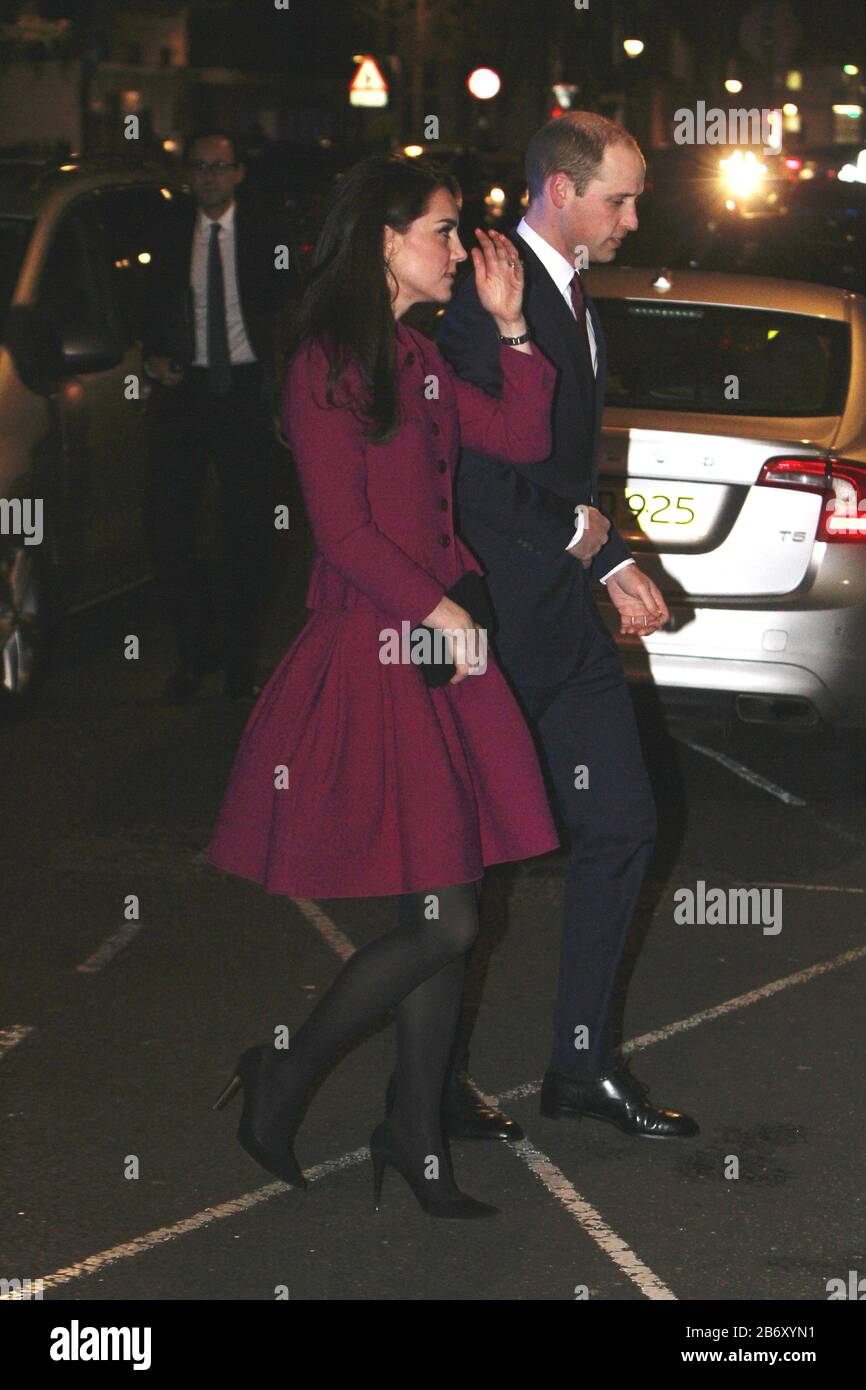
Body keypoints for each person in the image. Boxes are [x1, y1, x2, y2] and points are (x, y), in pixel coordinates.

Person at [206, 154, 562, 1217]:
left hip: (439, 646)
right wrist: (444, 614)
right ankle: (285, 1069)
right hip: (384, 644)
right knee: (446, 921)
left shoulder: (419, 354)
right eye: (444, 231)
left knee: (450, 898)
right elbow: (344, 530)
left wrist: (509, 329)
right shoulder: (327, 363)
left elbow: (522, 439)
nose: (459, 250)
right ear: (382, 241)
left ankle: (415, 1136)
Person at [436, 112, 699, 1141]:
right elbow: (485, 487)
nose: (633, 217)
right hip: (495, 619)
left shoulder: (570, 290)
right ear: (558, 191)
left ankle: (577, 1067)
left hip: (562, 619)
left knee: (623, 822)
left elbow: (559, 476)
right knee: (472, 862)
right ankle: (428, 1082)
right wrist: (599, 551)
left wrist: (611, 557)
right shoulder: (482, 299)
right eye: (618, 198)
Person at [142, 127, 302, 704]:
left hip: (245, 393)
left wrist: (284, 385)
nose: (209, 176)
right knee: (174, 529)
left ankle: (240, 660)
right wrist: (155, 353)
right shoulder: (167, 231)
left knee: (247, 532)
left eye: (219, 166)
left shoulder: (265, 232)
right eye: (199, 166)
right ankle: (192, 655)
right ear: (188, 173)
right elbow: (144, 297)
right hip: (186, 391)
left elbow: (291, 307)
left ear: (237, 172)